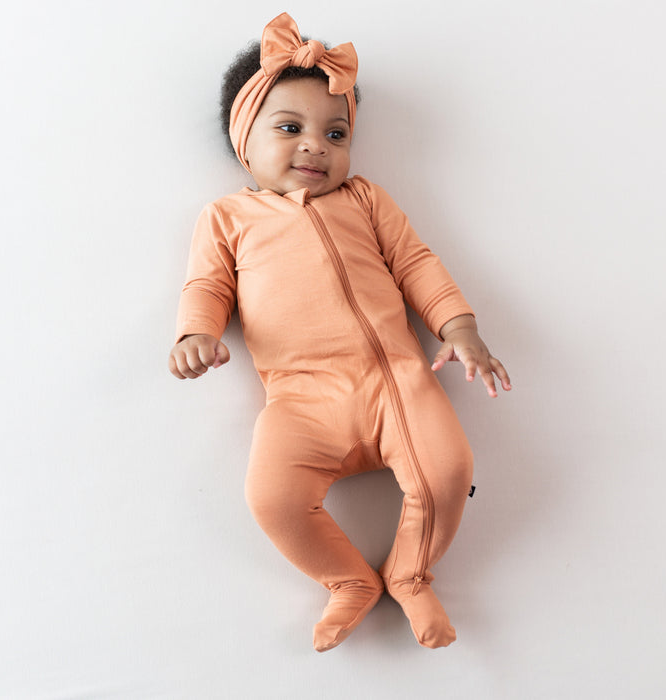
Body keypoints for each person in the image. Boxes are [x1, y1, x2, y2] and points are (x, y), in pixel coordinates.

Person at [168, 13, 511, 652]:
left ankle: (409, 573)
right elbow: (207, 286)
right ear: (244, 142)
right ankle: (349, 580)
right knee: (272, 498)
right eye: (290, 129)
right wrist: (196, 335)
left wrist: (460, 327)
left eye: (336, 133)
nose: (316, 147)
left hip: (396, 382)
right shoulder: (228, 217)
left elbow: (416, 263)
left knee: (447, 471)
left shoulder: (365, 200)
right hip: (300, 399)